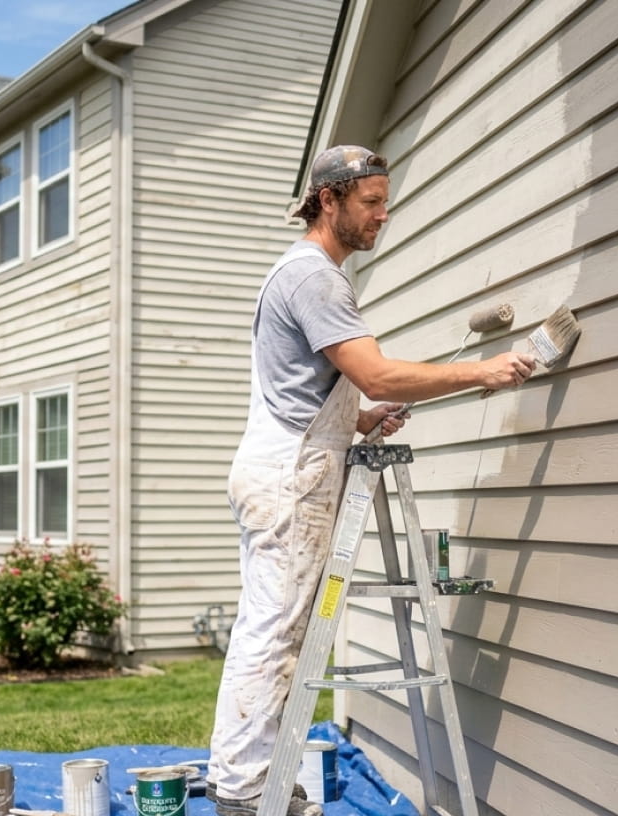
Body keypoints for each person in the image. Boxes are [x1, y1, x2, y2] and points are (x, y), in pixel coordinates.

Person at [207, 145, 536, 816]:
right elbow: (376, 371)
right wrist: (483, 372)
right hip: (291, 477)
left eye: (385, 202)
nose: (382, 215)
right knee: (274, 634)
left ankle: (251, 780)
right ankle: (243, 794)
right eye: (370, 203)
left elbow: (304, 382)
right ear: (328, 200)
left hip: (286, 463)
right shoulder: (316, 279)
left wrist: (357, 420)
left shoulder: (303, 275)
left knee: (271, 631)